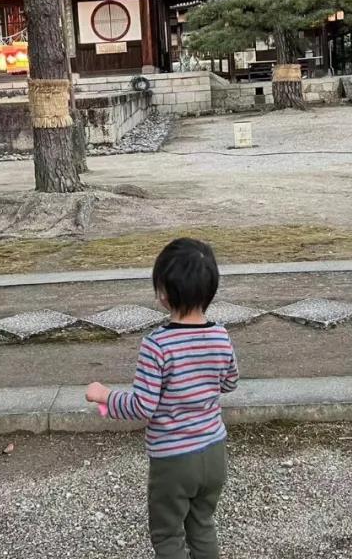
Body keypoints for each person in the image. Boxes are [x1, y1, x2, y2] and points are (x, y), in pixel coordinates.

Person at [86, 238, 239, 559]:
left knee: (168, 534)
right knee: (202, 523)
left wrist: (104, 395)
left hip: (174, 460)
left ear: (163, 293)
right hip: (214, 452)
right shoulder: (221, 336)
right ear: (210, 289)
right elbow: (229, 382)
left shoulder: (158, 345)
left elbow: (143, 406)